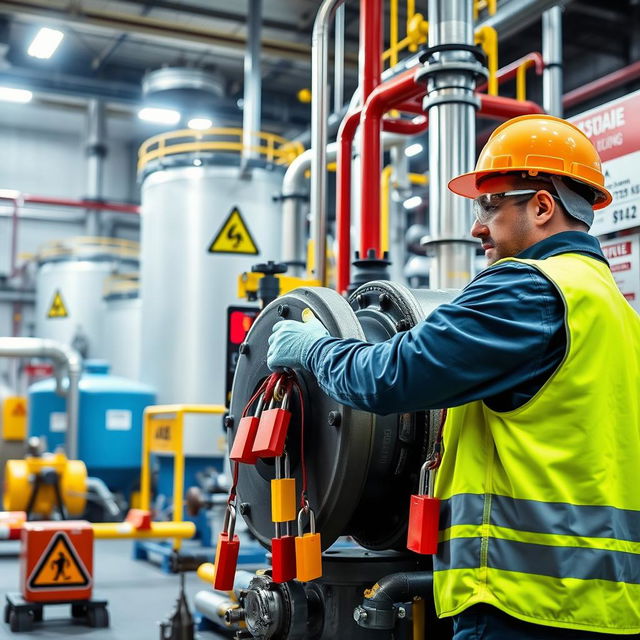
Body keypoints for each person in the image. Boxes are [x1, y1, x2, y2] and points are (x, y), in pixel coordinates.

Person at [267, 114, 640, 639]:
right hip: (607, 601)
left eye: (490, 205)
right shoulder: (613, 308)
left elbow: (392, 377)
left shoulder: (527, 290)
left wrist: (315, 350)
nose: (476, 227)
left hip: (523, 603)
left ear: (541, 205)